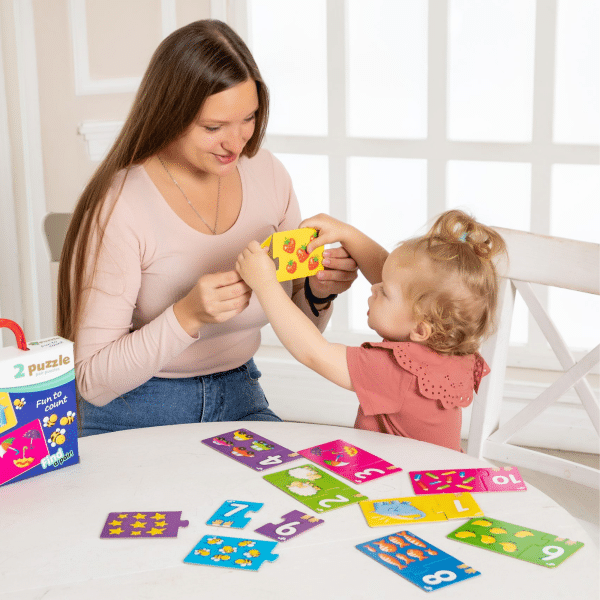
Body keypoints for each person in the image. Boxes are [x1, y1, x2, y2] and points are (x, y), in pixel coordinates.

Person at [57, 20, 357, 436]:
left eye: (248, 118)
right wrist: (186, 315)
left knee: (303, 495)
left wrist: (318, 293)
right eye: (213, 128)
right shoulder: (121, 204)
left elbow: (295, 320)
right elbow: (92, 378)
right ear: (170, 115)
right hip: (132, 410)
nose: (235, 143)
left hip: (240, 394)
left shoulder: (268, 175)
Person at [236, 209, 507, 452]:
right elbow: (399, 281)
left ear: (421, 329)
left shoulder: (396, 370)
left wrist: (265, 284)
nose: (373, 287)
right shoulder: (450, 344)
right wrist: (347, 234)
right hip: (439, 476)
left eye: (384, 292)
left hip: (405, 492)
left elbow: (313, 353)